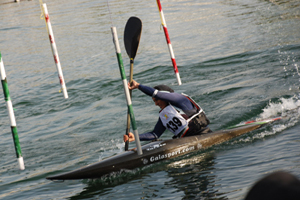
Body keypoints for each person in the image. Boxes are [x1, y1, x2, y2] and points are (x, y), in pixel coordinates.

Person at [123, 80, 212, 143]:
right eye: (154, 101)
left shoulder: (180, 100)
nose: (156, 104)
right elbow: (155, 134)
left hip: (204, 134)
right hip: (187, 141)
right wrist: (135, 137)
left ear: (165, 96)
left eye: (157, 100)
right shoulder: (165, 115)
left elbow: (156, 93)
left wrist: (138, 86)